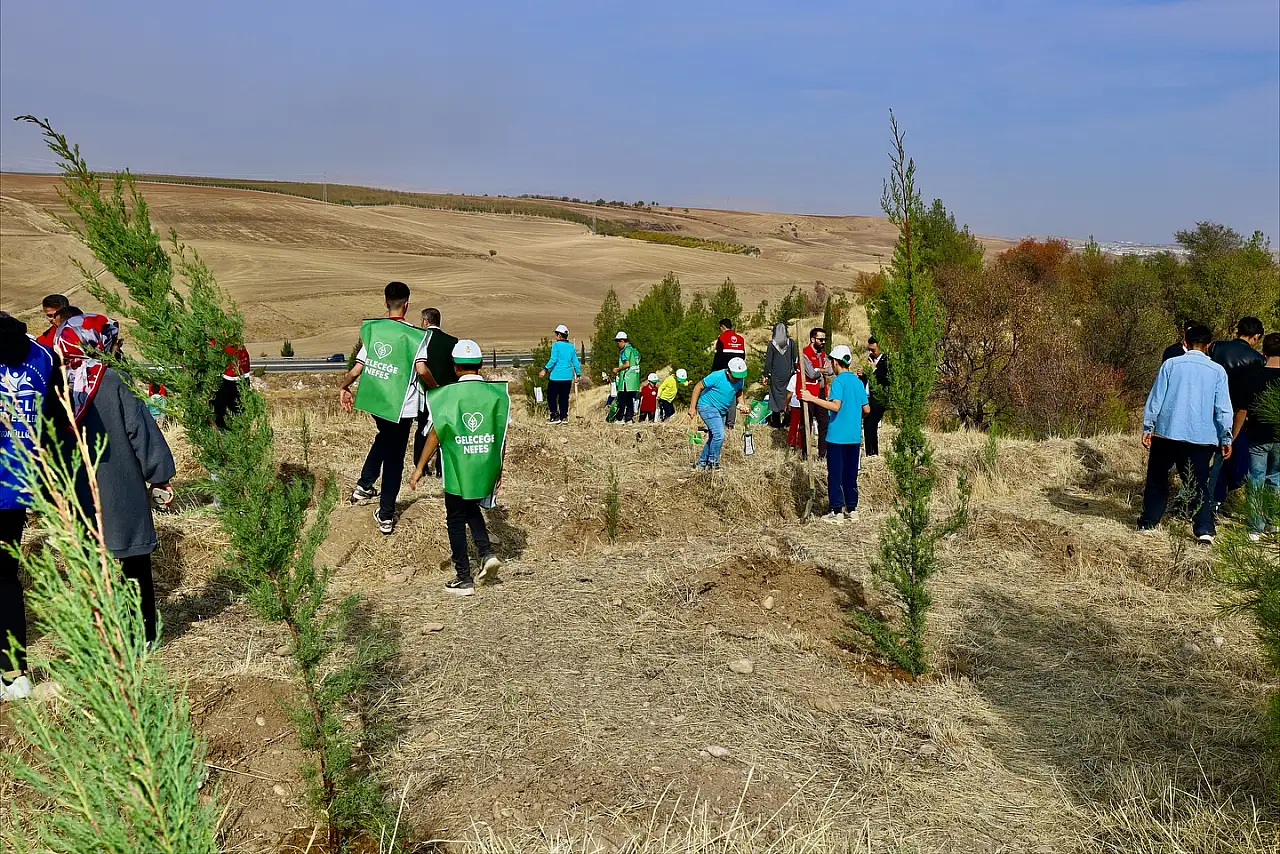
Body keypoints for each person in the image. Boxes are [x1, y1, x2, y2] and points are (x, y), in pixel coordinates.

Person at [54, 314, 176, 645]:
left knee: (91, 566)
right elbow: (141, 431)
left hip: (76, 489)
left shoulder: (57, 384)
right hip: (119, 487)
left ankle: (103, 635)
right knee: (133, 563)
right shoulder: (113, 380)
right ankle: (143, 636)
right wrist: (160, 475)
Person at [0, 312, 67, 700]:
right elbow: (57, 422)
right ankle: (15, 673)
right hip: (21, 483)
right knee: (5, 578)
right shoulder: (42, 356)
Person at [408, 340, 509, 596]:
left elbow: (435, 434)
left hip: (456, 467)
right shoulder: (497, 395)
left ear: (455, 367)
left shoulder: (445, 397)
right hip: (485, 463)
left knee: (455, 518)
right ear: (481, 364)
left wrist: (420, 466)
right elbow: (501, 434)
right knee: (471, 506)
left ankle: (464, 578)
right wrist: (499, 466)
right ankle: (486, 554)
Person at [338, 282, 431, 535]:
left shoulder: (375, 331)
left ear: (385, 302)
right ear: (407, 304)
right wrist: (436, 388)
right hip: (403, 406)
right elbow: (421, 369)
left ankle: (364, 485)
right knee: (394, 458)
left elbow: (358, 367)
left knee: (385, 438)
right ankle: (386, 513)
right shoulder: (415, 335)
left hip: (378, 402)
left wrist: (344, 387)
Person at [1137, 324, 1233, 543]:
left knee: (1158, 479)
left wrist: (1148, 427)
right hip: (1202, 437)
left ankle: (1149, 522)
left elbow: (1156, 399)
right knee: (1199, 484)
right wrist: (1225, 437)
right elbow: (1223, 409)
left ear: (1185, 342)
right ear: (1208, 346)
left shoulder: (1170, 364)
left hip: (1167, 433)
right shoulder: (1218, 371)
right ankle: (1204, 529)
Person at [800, 344, 870, 523]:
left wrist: (812, 398)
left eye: (831, 361)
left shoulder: (838, 382)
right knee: (850, 473)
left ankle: (837, 511)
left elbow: (835, 405)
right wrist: (854, 415)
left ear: (837, 363)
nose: (830, 365)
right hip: (854, 437)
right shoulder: (857, 381)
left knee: (835, 474)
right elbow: (867, 409)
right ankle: (852, 509)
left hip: (837, 436)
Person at [1208, 317, 1265, 506]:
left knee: (1205, 456)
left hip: (1209, 407)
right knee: (1232, 458)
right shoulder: (1256, 359)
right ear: (1256, 336)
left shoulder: (1216, 347)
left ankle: (1200, 496)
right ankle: (1216, 498)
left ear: (1237, 331)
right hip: (1236, 412)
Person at [1234, 332, 1280, 540]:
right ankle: (1273, 522)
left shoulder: (1253, 376)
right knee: (1276, 480)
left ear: (1263, 352)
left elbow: (1242, 410)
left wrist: (1233, 436)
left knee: (1256, 480)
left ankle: (1255, 526)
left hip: (1257, 436)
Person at [415, 307, 458, 475]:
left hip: (424, 391)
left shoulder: (419, 340)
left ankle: (421, 465)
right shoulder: (452, 341)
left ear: (426, 321)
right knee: (445, 429)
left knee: (422, 428)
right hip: (447, 392)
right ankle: (442, 467)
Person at [688, 358, 749, 471]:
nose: (737, 379)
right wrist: (692, 408)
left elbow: (739, 392)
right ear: (728, 372)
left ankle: (701, 463)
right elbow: (698, 387)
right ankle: (713, 463)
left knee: (714, 437)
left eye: (740, 376)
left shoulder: (740, 379)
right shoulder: (716, 376)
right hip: (707, 406)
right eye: (735, 376)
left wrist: (742, 405)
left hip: (721, 410)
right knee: (719, 435)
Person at [539, 324, 581, 424]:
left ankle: (554, 416)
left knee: (551, 396)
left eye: (556, 334)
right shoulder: (571, 347)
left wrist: (545, 369)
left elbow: (553, 359)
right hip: (567, 377)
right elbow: (575, 361)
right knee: (564, 397)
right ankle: (564, 416)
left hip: (556, 376)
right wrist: (578, 374)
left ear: (559, 335)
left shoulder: (556, 345)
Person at [801, 328, 832, 460]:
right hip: (808, 393)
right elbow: (810, 374)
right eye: (820, 339)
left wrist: (819, 369)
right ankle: (806, 454)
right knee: (806, 424)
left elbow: (830, 371)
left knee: (824, 422)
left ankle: (822, 453)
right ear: (813, 339)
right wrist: (822, 370)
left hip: (821, 393)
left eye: (824, 339)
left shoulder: (823, 354)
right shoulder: (804, 354)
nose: (823, 342)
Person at [712, 319, 747, 429]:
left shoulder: (721, 338)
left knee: (724, 397)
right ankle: (731, 424)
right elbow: (743, 356)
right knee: (733, 395)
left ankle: (721, 424)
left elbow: (718, 358)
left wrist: (713, 373)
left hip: (725, 372)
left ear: (722, 327)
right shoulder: (741, 339)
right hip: (739, 372)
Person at [762, 322, 798, 429]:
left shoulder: (772, 344)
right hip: (788, 374)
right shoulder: (791, 343)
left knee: (775, 398)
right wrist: (796, 371)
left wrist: (765, 375)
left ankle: (776, 423)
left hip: (776, 376)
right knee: (788, 397)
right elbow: (795, 358)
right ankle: (787, 422)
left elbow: (768, 362)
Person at [212, 339, 251, 429]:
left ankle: (226, 432)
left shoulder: (220, 342)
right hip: (242, 379)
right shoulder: (239, 346)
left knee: (225, 412)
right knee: (238, 410)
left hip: (230, 382)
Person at [861, 337, 890, 456]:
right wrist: (862, 374)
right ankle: (870, 453)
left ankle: (874, 452)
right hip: (868, 397)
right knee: (867, 426)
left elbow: (886, 378)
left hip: (878, 399)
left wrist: (874, 370)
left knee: (872, 424)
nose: (871, 352)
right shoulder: (870, 360)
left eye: (873, 350)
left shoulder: (886, 361)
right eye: (870, 350)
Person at [612, 332, 641, 423]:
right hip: (634, 380)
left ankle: (620, 418)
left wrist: (617, 369)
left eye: (618, 343)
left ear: (622, 341)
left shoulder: (625, 351)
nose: (618, 345)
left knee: (622, 399)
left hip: (626, 380)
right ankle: (629, 418)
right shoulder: (635, 351)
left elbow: (627, 364)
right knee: (630, 400)